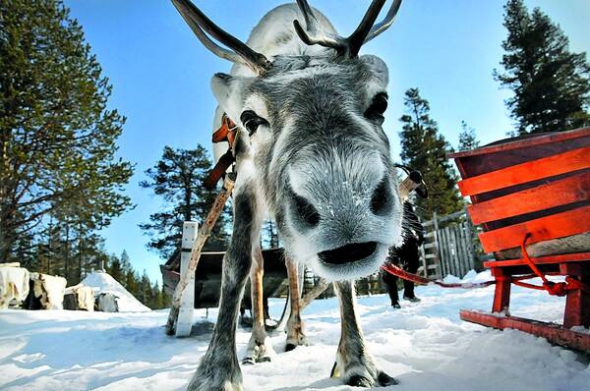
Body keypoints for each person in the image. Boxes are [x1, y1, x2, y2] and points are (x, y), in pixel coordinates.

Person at [382, 201, 425, 308]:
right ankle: (394, 301)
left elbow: (414, 219)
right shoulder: (381, 201)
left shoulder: (405, 202)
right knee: (390, 272)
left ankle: (409, 293)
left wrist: (420, 233)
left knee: (412, 265)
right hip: (390, 240)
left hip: (407, 238)